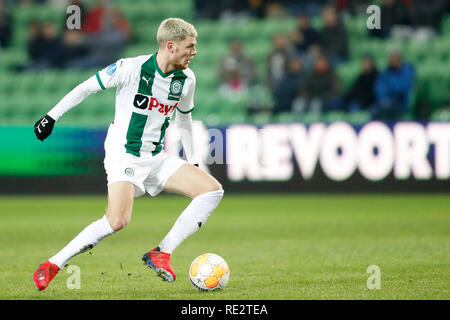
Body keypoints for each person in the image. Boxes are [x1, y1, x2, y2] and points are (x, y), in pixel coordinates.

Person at [32, 18, 224, 291]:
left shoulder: (187, 79)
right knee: (117, 220)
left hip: (156, 156)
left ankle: (162, 252)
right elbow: (87, 86)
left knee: (211, 190)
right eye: (190, 46)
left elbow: (183, 120)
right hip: (124, 155)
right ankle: (53, 263)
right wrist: (52, 116)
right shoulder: (130, 68)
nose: (194, 52)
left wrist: (193, 161)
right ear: (171, 46)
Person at [373, 49, 414, 120]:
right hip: (385, 102)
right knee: (375, 109)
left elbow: (405, 87)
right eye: (392, 58)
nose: (394, 60)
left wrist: (392, 89)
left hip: (400, 102)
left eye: (395, 58)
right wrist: (384, 98)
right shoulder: (385, 72)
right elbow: (380, 87)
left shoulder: (407, 71)